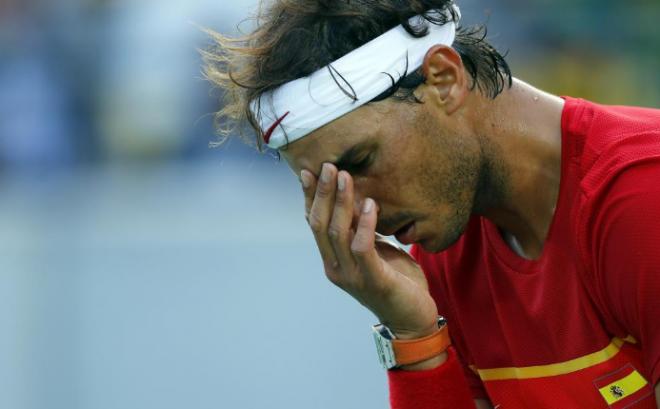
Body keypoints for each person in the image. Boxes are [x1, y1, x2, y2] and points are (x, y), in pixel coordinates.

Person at [204, 0, 660, 407]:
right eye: (333, 189)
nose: (365, 217)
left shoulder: (642, 199)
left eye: (361, 161)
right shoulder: (445, 250)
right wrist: (415, 336)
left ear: (444, 79)